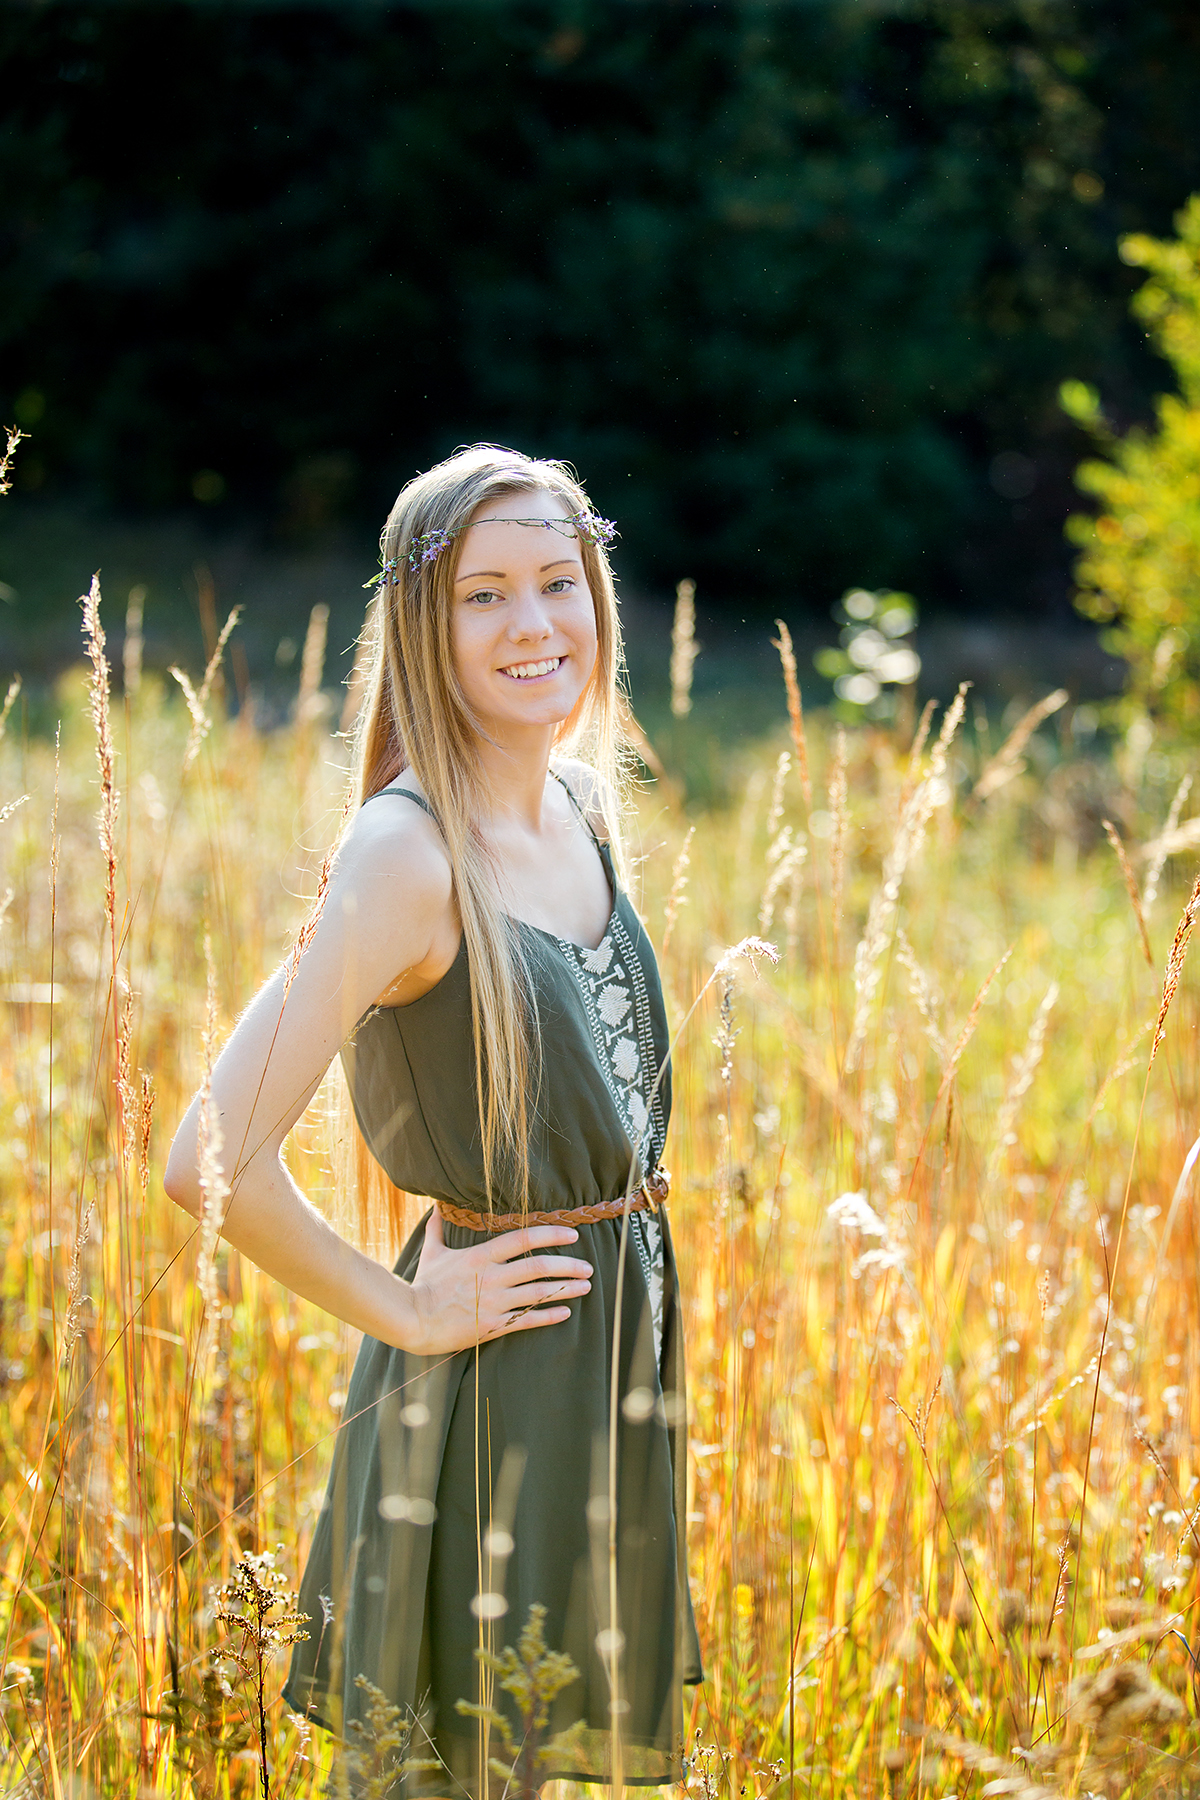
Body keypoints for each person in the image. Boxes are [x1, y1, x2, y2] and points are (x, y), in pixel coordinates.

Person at [165, 444, 701, 1794]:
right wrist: (407, 1312)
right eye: (484, 595)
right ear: (421, 621)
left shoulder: (578, 807)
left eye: (557, 583)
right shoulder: (409, 856)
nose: (534, 626)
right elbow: (204, 1158)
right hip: (486, 1399)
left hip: (600, 1385)